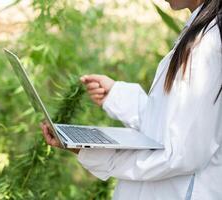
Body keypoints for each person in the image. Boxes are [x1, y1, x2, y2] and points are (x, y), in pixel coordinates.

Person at [41, 0, 222, 199]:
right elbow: (170, 122)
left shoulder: (206, 48)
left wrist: (90, 152)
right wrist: (116, 95)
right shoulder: (200, 33)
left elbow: (181, 156)